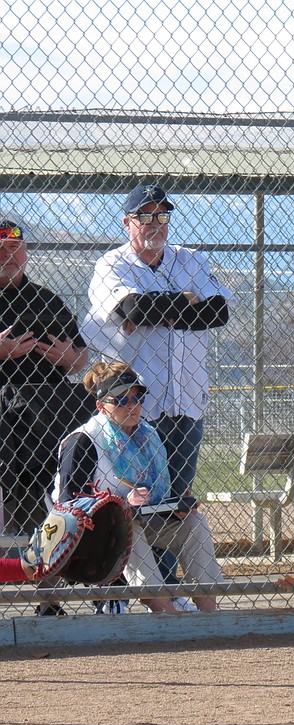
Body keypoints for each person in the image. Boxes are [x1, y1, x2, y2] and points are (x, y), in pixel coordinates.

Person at [81, 184, 232, 503]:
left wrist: (155, 310)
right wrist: (187, 301)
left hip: (188, 398)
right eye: (144, 216)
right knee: (140, 502)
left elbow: (218, 312)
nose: (154, 223)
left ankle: (169, 555)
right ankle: (142, 557)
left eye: (161, 215)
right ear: (127, 222)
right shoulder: (112, 264)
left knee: (177, 502)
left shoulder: (188, 259)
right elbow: (134, 308)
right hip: (135, 406)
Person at [53, 361, 223, 613]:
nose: (132, 405)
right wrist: (118, 505)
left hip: (145, 521)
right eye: (120, 400)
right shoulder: (84, 440)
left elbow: (156, 496)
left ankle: (210, 616)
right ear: (101, 405)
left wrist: (175, 505)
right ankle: (166, 613)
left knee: (194, 525)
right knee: (127, 524)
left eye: (137, 396)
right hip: (95, 531)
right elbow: (67, 505)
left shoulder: (148, 435)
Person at [0, 217, 89, 536]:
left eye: (14, 247)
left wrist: (70, 359)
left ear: (25, 251)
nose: (7, 255)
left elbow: (81, 356)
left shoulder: (45, 299)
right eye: (0, 248)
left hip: (47, 413)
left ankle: (60, 553)